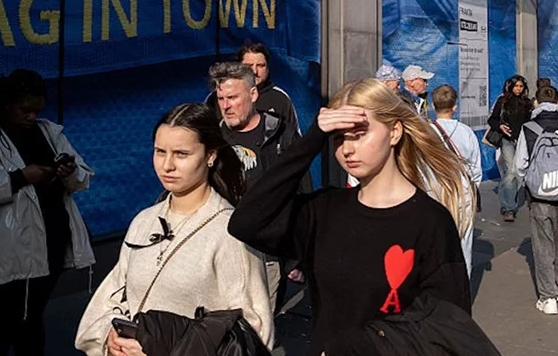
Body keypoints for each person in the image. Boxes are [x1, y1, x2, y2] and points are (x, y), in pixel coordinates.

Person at [228, 79, 472, 356]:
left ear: (394, 132)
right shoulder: (323, 210)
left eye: (358, 133)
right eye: (338, 137)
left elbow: (452, 329)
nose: (347, 149)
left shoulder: (430, 221)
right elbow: (246, 222)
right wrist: (313, 137)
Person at [75, 104, 272, 355]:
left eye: (181, 154)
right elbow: (111, 298)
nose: (167, 165)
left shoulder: (230, 232)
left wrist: (163, 348)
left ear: (210, 155)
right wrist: (109, 337)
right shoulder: (144, 222)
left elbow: (253, 331)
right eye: (160, 152)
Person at [0, 69, 95, 356]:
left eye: (36, 110)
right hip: (4, 247)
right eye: (25, 110)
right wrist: (18, 178)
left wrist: (69, 170)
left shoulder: (50, 132)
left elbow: (82, 178)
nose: (31, 116)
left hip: (49, 240)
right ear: (6, 104)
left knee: (31, 318)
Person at [210, 61, 301, 308]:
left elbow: (298, 191)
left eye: (232, 97)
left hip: (266, 253)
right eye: (220, 98)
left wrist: (296, 256)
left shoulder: (280, 133)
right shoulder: (212, 140)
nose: (226, 106)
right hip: (223, 252)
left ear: (253, 94)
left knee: (260, 332)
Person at [515, 86, 558, 315]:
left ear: (537, 102)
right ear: (557, 102)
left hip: (539, 197)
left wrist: (531, 184)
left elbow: (519, 165)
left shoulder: (529, 128)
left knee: (543, 247)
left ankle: (548, 298)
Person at [431, 84, 483, 275]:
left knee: (434, 244)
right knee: (464, 245)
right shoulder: (466, 132)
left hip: (434, 193)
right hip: (462, 193)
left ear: (432, 105)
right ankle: (462, 293)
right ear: (455, 106)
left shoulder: (426, 132)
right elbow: (476, 168)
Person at [205, 42, 300, 136]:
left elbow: (293, 138)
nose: (255, 71)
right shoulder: (216, 97)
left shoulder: (280, 98)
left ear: (268, 69)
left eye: (260, 65)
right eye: (249, 66)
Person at [488, 75, 533, 221]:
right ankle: (509, 207)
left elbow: (531, 121)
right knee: (511, 171)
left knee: (517, 172)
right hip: (507, 140)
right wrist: (500, 126)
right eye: (516, 86)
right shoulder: (503, 101)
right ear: (510, 86)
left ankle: (506, 198)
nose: (518, 89)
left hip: (522, 141)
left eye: (521, 86)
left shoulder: (527, 102)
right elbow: (492, 119)